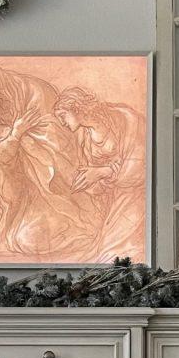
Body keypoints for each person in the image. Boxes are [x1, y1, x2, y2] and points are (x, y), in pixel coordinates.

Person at [0, 61, 99, 262]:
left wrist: (14, 135)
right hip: (26, 187)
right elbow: (0, 154)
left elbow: (54, 136)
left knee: (59, 228)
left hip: (54, 178)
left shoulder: (33, 92)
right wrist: (13, 136)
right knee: (22, 239)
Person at [54, 87, 146, 262]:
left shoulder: (125, 119)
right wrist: (81, 182)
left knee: (117, 251)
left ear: (76, 108)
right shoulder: (85, 137)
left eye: (63, 115)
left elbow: (142, 164)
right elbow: (96, 180)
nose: (62, 122)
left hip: (137, 196)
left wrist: (102, 172)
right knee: (105, 251)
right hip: (115, 199)